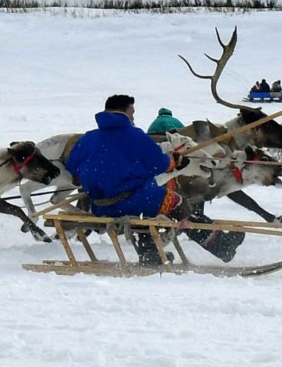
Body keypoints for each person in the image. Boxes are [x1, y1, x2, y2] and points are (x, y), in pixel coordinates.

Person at [67, 95, 237, 264]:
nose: (133, 117)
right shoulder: (134, 135)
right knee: (178, 204)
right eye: (132, 112)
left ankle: (150, 255)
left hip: (99, 205)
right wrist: (174, 161)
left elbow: (72, 165)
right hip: (132, 200)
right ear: (124, 112)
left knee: (147, 209)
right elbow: (158, 163)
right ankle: (222, 245)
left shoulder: (88, 138)